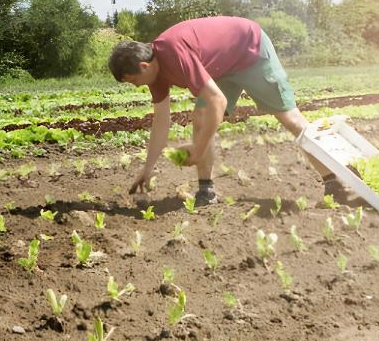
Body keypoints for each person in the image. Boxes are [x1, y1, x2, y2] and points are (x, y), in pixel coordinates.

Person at [108, 15, 350, 205]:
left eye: (132, 81)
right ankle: (206, 191)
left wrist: (197, 149)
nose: (136, 85)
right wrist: (147, 170)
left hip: (250, 49)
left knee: (290, 118)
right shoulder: (155, 74)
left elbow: (218, 101)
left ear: (143, 66)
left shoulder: (172, 52)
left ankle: (334, 180)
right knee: (201, 117)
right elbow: (161, 121)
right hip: (223, 67)